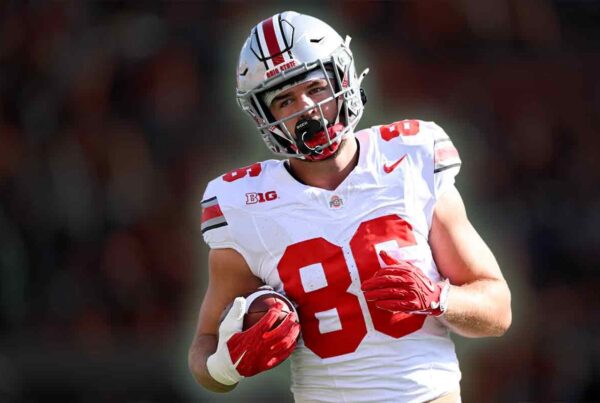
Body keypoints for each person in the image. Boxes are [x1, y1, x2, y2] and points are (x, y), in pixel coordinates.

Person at [188, 10, 511, 403]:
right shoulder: (244, 204)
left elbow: (497, 310)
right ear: (263, 115)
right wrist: (227, 364)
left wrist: (440, 298)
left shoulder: (411, 157)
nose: (306, 108)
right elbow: (204, 348)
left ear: (342, 78)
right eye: (284, 100)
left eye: (315, 88)